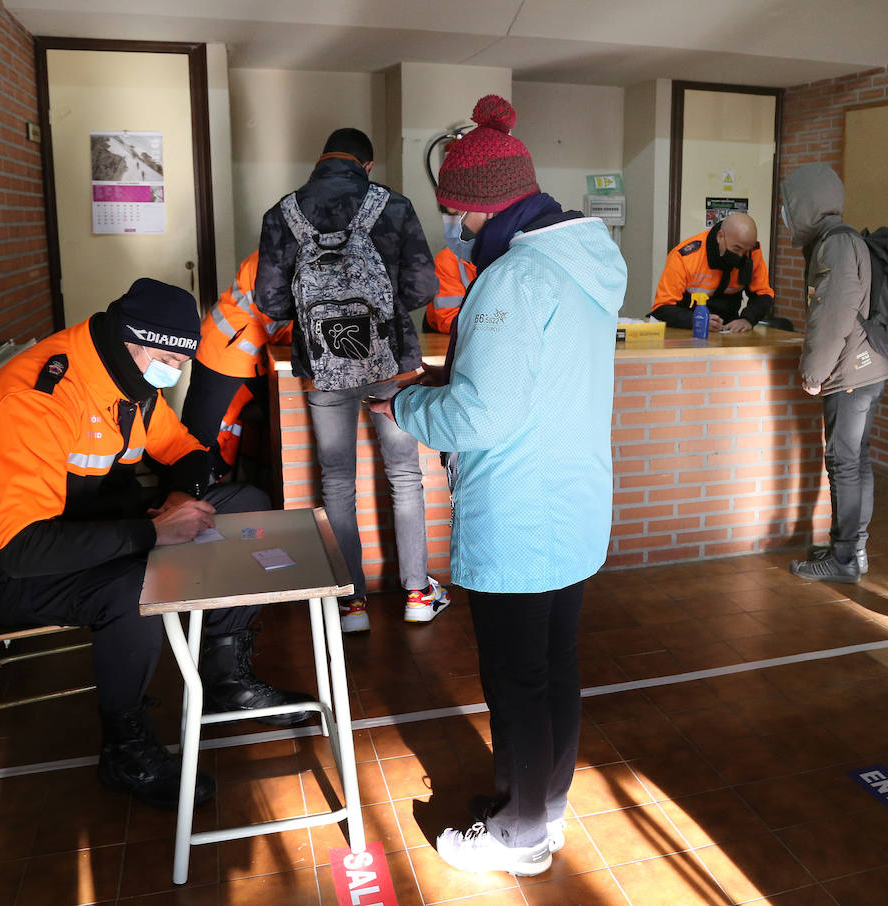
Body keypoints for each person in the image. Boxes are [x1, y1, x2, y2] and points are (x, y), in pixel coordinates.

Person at [371, 95, 625, 877]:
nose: (453, 228)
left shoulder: (514, 279)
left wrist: (404, 403)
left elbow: (481, 417)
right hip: (571, 501)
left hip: (523, 512)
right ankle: (537, 806)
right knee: (553, 668)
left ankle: (520, 837)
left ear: (479, 207)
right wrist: (454, 376)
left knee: (517, 678)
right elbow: (526, 381)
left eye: (455, 214)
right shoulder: (579, 258)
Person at [0, 279, 308, 811]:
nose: (175, 372)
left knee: (247, 500)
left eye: (182, 360)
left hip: (96, 531)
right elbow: (24, 550)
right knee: (136, 584)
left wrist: (183, 497)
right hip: (10, 569)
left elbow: (185, 450)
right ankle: (123, 746)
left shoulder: (130, 379)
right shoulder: (37, 398)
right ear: (129, 340)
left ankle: (226, 676)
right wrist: (154, 533)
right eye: (165, 357)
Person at [254, 127, 448, 632]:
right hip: (392, 361)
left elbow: (271, 303)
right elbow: (425, 285)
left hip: (322, 366)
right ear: (368, 164)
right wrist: (377, 318)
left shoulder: (284, 213)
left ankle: (351, 605)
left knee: (337, 481)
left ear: (321, 158)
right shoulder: (393, 205)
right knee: (405, 475)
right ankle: (416, 595)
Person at [782, 163, 888, 583]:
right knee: (856, 461)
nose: (785, 213)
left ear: (805, 204)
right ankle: (851, 548)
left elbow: (832, 316)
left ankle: (845, 558)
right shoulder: (840, 239)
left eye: (788, 205)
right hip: (866, 368)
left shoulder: (835, 245)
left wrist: (814, 372)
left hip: (850, 373)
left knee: (844, 463)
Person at [180, 250, 292, 477]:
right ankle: (182, 495)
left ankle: (218, 486)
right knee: (198, 437)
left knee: (281, 425)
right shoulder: (274, 257)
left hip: (257, 358)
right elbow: (280, 317)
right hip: (222, 353)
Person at [649, 212, 775, 333]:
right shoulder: (685, 257)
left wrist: (747, 319)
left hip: (728, 331)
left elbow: (763, 295)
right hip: (686, 330)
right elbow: (662, 308)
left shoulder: (752, 253)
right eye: (737, 248)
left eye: (746, 250)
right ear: (720, 236)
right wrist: (697, 320)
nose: (741, 255)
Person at [424, 209, 478, 333]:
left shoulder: (509, 255)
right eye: (451, 214)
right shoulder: (448, 259)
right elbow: (448, 318)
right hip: (450, 335)